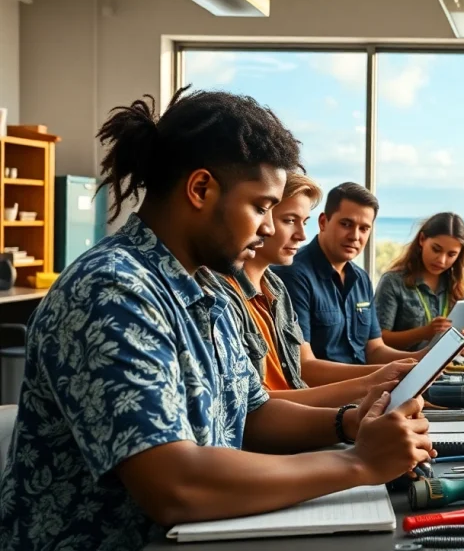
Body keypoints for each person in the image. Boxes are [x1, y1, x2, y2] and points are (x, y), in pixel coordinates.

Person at [0, 89, 433, 550]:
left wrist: (349, 422)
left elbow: (252, 412)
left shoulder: (207, 285)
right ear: (201, 189)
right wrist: (359, 463)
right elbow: (174, 484)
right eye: (261, 207)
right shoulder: (111, 290)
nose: (269, 227)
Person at [203, 171, 419, 407]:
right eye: (289, 220)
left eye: (304, 222)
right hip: (312, 410)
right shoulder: (281, 278)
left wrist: (413, 363)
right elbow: (259, 403)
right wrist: (369, 387)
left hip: (322, 406)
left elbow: (295, 380)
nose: (302, 235)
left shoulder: (276, 288)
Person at [274, 182, 428, 365]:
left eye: (364, 229)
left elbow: (374, 350)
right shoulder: (292, 274)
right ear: (323, 222)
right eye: (346, 224)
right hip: (330, 384)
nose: (355, 236)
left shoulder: (361, 278)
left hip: (369, 381)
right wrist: (384, 374)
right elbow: (303, 366)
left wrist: (424, 357)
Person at [375, 212, 464, 353]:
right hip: (403, 364)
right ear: (422, 239)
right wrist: (423, 333)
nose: (442, 260)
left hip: (444, 365)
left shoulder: (454, 285)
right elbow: (378, 340)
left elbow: (457, 338)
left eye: (451, 254)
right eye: (436, 249)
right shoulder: (393, 282)